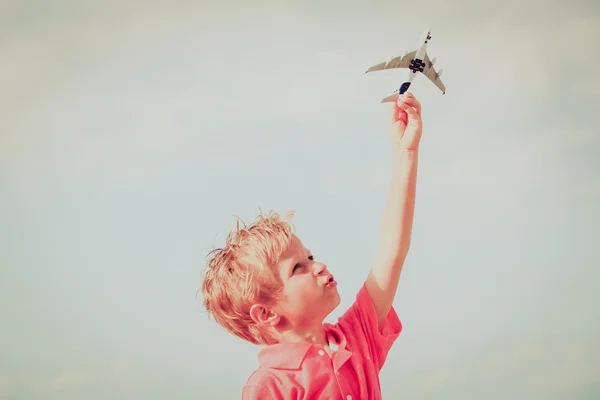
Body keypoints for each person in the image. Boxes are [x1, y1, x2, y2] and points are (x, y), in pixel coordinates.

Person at [200, 92, 423, 399]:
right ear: (266, 314)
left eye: (310, 256)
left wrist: (405, 153)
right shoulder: (268, 386)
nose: (319, 266)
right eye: (297, 268)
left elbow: (392, 252)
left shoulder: (356, 337)